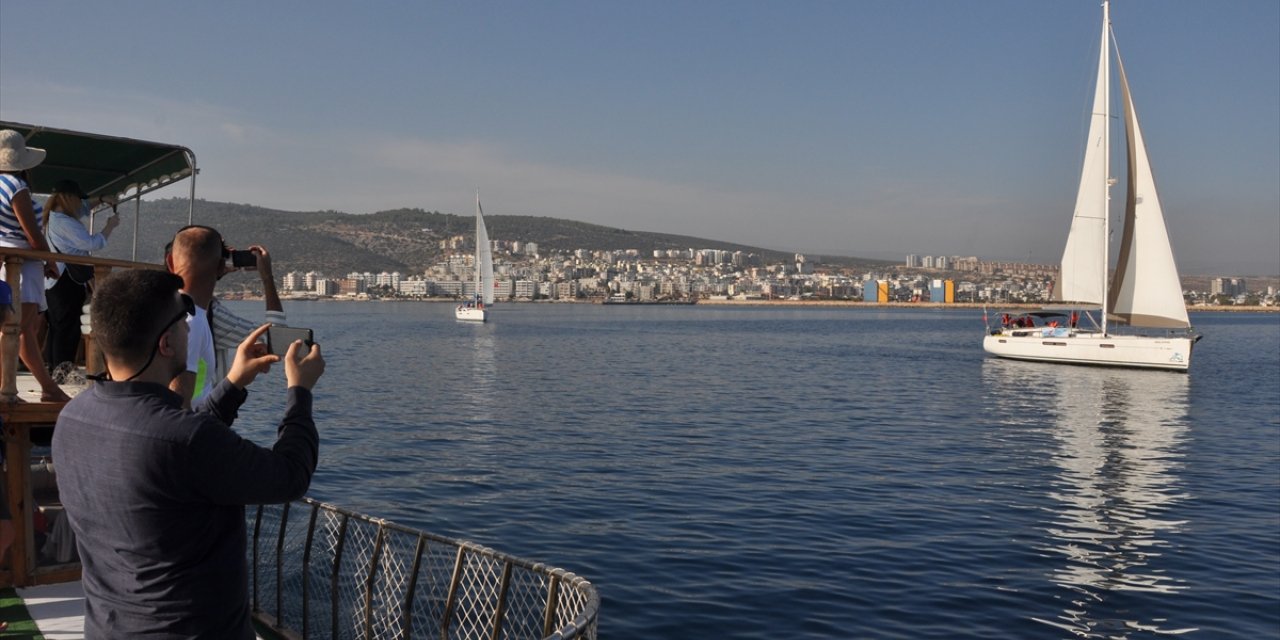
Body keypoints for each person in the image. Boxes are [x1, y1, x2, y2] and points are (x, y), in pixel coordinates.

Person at [52, 269, 324, 639]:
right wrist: (300, 391)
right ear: (165, 344)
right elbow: (290, 475)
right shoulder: (184, 440)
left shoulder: (73, 418)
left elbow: (172, 439)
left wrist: (233, 383)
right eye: (185, 322)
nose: (190, 330)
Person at [166, 225, 285, 407]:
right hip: (198, 425)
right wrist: (267, 277)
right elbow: (277, 342)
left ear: (170, 262)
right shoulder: (203, 318)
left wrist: (215, 268)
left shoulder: (159, 307)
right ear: (222, 265)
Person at [0, 129, 68, 402]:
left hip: (5, 263)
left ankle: (44, 389)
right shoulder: (17, 188)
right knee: (20, 329)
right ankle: (41, 389)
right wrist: (51, 262)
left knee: (15, 328)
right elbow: (33, 236)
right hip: (23, 265)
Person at [42, 179, 120, 375]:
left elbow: (85, 206)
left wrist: (102, 199)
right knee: (67, 329)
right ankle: (62, 372)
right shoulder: (65, 222)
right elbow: (92, 243)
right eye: (78, 199)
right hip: (66, 280)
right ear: (69, 198)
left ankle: (56, 369)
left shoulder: (53, 217)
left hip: (55, 281)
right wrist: (110, 226)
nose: (80, 204)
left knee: (57, 327)